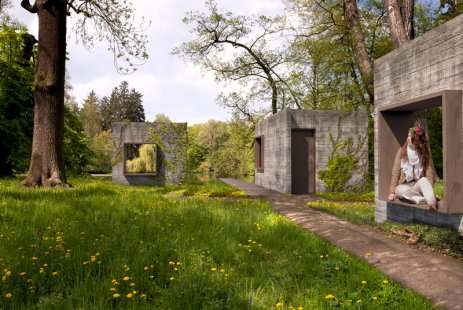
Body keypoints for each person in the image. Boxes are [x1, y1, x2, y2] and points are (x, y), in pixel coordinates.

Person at [388, 127, 437, 211]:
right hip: (405, 185)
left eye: (411, 137)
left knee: (424, 180)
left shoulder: (424, 152)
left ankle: (432, 203)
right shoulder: (401, 151)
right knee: (400, 191)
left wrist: (430, 188)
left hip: (417, 185)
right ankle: (425, 197)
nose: (408, 138)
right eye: (408, 136)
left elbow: (430, 173)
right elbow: (396, 172)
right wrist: (392, 192)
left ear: (417, 139)